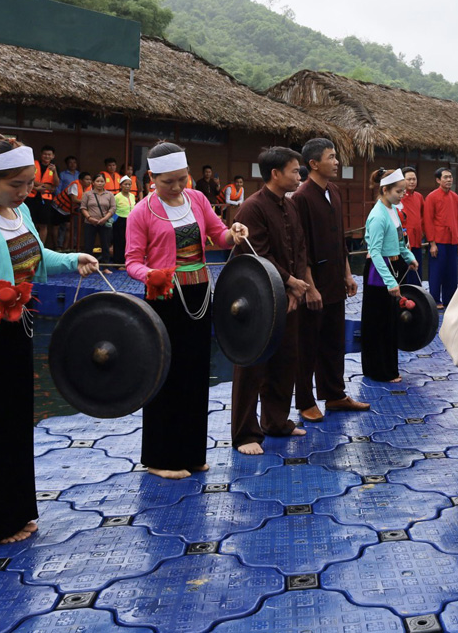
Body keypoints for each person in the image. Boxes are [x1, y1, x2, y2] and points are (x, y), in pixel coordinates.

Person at [0, 133, 98, 545]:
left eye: (29, 183)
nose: (26, 192)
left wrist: (72, 258)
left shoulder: (20, 213)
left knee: (11, 424)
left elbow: (37, 257)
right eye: (17, 185)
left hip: (15, 330)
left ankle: (12, 511)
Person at [125, 142, 249, 477]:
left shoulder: (197, 199)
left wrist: (233, 233)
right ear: (152, 177)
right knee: (165, 374)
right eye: (169, 181)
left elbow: (218, 235)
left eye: (183, 179)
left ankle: (192, 452)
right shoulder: (141, 212)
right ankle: (161, 458)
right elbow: (132, 262)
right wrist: (151, 274)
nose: (178, 187)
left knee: (196, 374)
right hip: (164, 297)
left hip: (199, 293)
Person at [230, 147, 313, 455]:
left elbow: (300, 247)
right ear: (275, 174)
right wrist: (289, 283)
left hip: (288, 298)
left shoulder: (289, 206)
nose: (298, 176)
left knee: (286, 360)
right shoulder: (252, 208)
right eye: (294, 171)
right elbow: (255, 254)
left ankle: (276, 421)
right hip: (259, 301)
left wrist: (296, 287)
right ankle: (244, 434)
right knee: (253, 366)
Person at [293, 138, 368, 423]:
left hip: (336, 279)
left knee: (334, 341)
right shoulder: (302, 197)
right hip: (314, 283)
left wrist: (348, 274)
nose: (337, 162)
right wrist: (309, 287)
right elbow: (302, 249)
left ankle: (335, 394)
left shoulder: (334, 191)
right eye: (331, 157)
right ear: (314, 163)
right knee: (308, 345)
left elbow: (340, 240)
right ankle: (305, 401)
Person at [361, 168, 419, 382]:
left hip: (393, 266)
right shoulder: (377, 216)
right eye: (398, 191)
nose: (402, 195)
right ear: (385, 190)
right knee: (378, 322)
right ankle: (377, 370)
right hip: (379, 271)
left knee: (390, 322)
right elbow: (375, 252)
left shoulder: (393, 210)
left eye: (403, 191)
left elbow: (400, 241)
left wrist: (409, 257)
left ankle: (388, 367)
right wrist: (389, 281)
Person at [423, 167, 458, 308]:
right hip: (438, 240)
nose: (449, 180)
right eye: (445, 177)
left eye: (450, 177)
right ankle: (435, 299)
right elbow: (428, 220)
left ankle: (449, 299)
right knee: (436, 272)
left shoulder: (455, 197)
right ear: (438, 180)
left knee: (451, 272)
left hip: (452, 240)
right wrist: (432, 243)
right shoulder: (432, 197)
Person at [27, 145, 60, 249]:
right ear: (41, 155)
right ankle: (29, 246)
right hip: (31, 197)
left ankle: (40, 247)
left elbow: (56, 184)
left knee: (43, 224)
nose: (47, 156)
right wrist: (39, 187)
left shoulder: (54, 168)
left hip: (46, 199)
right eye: (45, 154)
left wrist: (54, 172)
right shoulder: (33, 164)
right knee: (30, 223)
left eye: (49, 154)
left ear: (53, 156)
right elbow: (27, 179)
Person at [80, 173, 115, 260]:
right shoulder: (87, 194)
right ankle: (88, 264)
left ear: (105, 183)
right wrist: (89, 218)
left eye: (102, 181)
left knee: (105, 245)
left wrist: (105, 218)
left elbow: (113, 208)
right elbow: (83, 208)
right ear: (93, 182)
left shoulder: (109, 194)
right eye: (97, 181)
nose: (100, 183)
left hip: (104, 223)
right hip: (90, 223)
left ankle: (106, 266)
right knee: (88, 245)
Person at [400, 166, 425, 270]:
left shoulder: (419, 196)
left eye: (414, 179)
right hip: (404, 240)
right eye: (409, 179)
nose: (412, 182)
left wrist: (423, 230)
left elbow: (424, 215)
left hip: (417, 237)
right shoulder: (399, 197)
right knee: (405, 269)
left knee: (417, 268)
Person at [110, 176, 136, 264]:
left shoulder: (132, 196)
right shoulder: (117, 196)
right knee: (119, 242)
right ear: (121, 185)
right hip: (119, 221)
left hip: (130, 221)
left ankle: (128, 261)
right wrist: (113, 221)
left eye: (129, 184)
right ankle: (118, 262)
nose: (127, 186)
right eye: (125, 184)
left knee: (129, 242)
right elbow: (112, 209)